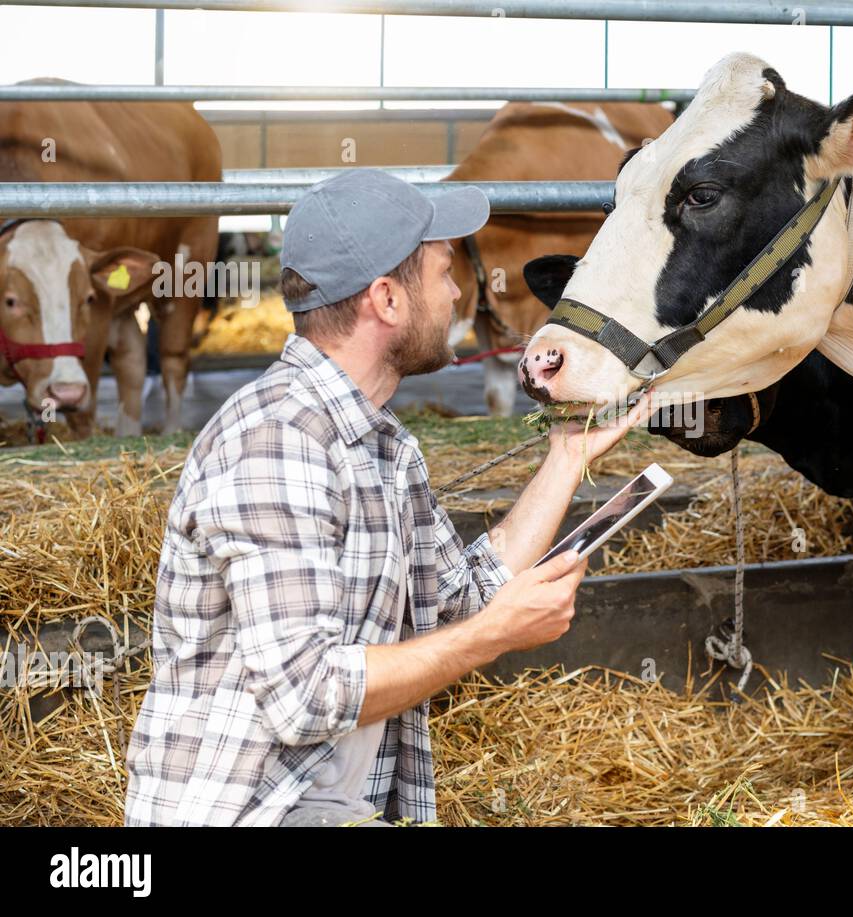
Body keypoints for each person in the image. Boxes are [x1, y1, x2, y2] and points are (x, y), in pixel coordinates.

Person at [124, 169, 651, 826]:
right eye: (442, 271)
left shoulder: (383, 444)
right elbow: (304, 694)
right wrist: (493, 636)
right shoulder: (277, 442)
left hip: (333, 808)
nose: (461, 292)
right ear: (386, 300)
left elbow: (463, 592)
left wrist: (567, 456)